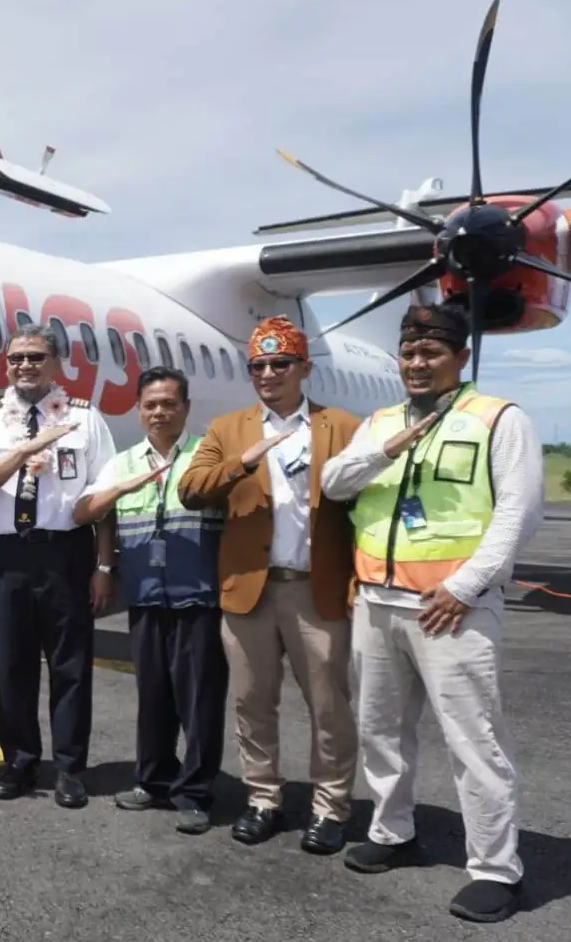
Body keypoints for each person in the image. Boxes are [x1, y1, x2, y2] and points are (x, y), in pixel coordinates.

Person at [320, 303, 541, 924]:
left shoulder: (499, 419)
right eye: (409, 354)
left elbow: (518, 514)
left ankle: (496, 867)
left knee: (475, 740)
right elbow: (337, 483)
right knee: (381, 730)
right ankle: (393, 831)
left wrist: (467, 586)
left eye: (431, 353)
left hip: (451, 610)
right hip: (377, 602)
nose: (417, 363)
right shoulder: (381, 421)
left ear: (460, 358)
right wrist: (388, 448)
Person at [175, 315, 360, 855]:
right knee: (253, 702)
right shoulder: (228, 429)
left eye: (281, 363)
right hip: (249, 589)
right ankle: (263, 798)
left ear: (304, 367)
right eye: (259, 365)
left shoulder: (342, 426)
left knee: (329, 706)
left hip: (315, 588)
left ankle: (330, 807)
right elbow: (192, 488)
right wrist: (243, 461)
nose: (269, 373)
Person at [0, 324, 117, 808]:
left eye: (36, 356)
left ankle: (70, 767)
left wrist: (103, 567)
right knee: (13, 665)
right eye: (16, 358)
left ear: (57, 363)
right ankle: (20, 761)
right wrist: (24, 451)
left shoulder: (85, 420)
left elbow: (103, 498)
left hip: (67, 552)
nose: (24, 366)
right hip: (9, 556)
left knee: (70, 666)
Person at [74, 366, 227, 834]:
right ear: (138, 410)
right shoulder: (123, 462)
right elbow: (85, 511)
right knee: (154, 696)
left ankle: (195, 792)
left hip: (198, 597)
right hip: (144, 597)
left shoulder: (208, 456)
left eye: (168, 404)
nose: (159, 412)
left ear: (185, 407)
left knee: (199, 700)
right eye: (150, 405)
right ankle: (153, 780)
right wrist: (116, 496)